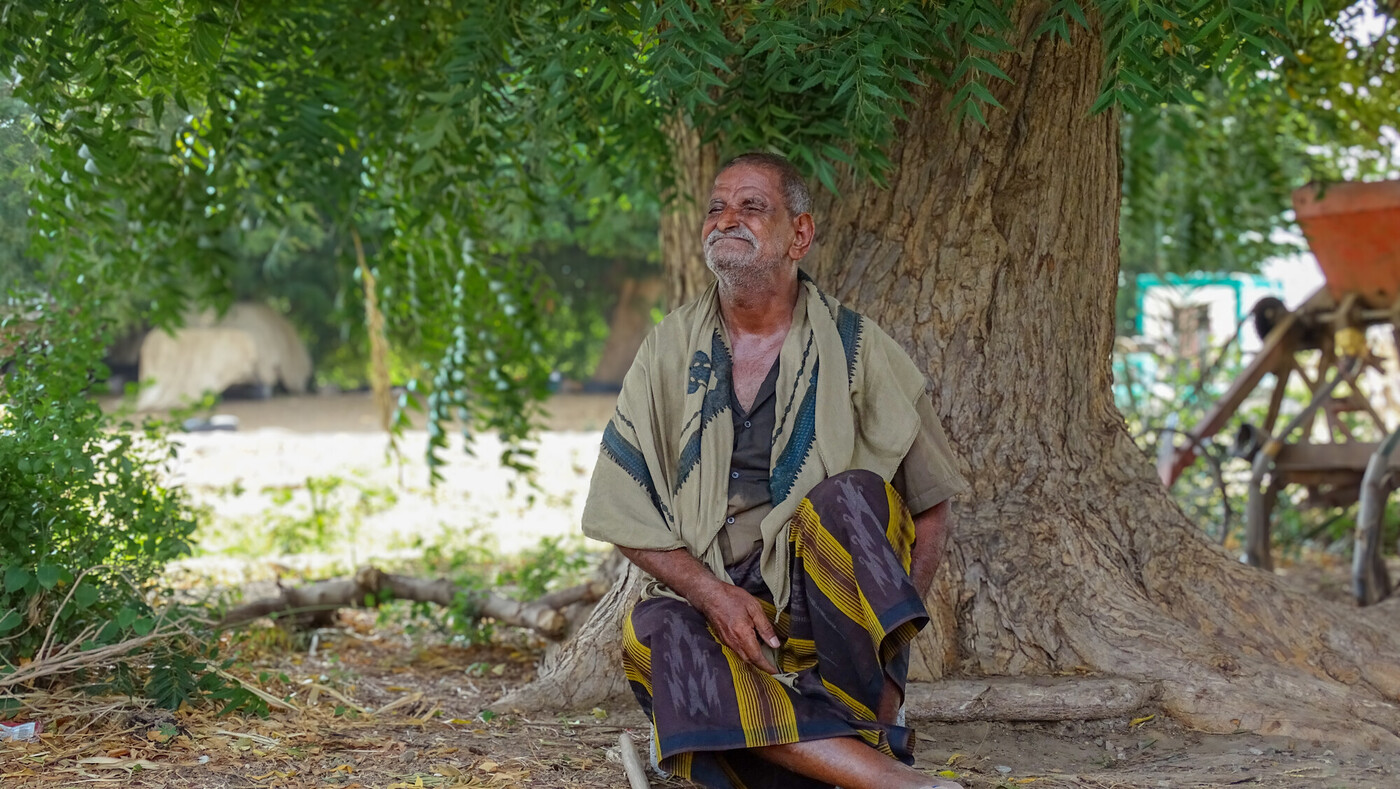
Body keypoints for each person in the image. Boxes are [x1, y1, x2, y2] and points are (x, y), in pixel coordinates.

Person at [582, 152, 968, 789]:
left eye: (751, 206)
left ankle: (811, 732)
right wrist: (714, 596)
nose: (726, 219)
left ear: (800, 234)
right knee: (655, 631)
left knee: (850, 498)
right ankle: (883, 774)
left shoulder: (858, 347)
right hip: (724, 613)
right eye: (716, 207)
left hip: (830, 616)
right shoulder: (668, 349)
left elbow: (931, 505)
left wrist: (890, 670)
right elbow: (619, 508)